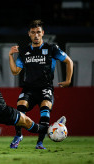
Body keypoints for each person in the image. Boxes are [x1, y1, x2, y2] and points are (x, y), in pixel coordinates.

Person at [8, 20, 73, 149]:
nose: (36, 35)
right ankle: (18, 135)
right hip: (29, 88)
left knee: (45, 111)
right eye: (33, 33)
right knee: (20, 107)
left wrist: (68, 80)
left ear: (42, 33)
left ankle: (40, 143)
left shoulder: (52, 49)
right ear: (29, 34)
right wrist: (10, 55)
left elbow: (69, 61)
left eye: (38, 32)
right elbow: (15, 71)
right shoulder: (25, 51)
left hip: (45, 87)